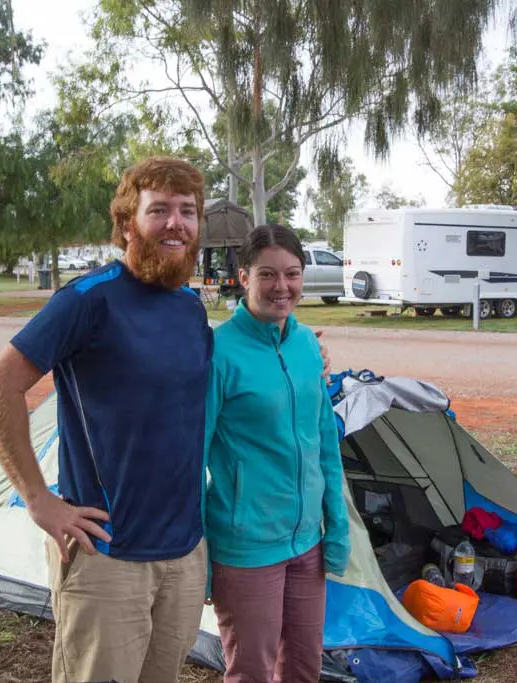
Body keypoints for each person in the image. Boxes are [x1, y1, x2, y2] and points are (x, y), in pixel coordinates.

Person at [0, 156, 212, 683]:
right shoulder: (87, 299)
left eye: (188, 212)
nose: (176, 223)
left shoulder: (190, 310)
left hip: (184, 553)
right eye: (160, 210)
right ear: (128, 223)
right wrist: (39, 499)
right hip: (107, 556)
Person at [204, 224, 350, 683]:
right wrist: (201, 559)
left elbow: (324, 440)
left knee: (305, 668)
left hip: (308, 542)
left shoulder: (307, 344)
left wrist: (337, 526)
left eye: (292, 274)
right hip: (246, 546)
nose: (281, 287)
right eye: (267, 274)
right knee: (251, 671)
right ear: (243, 276)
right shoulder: (218, 352)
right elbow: (192, 456)